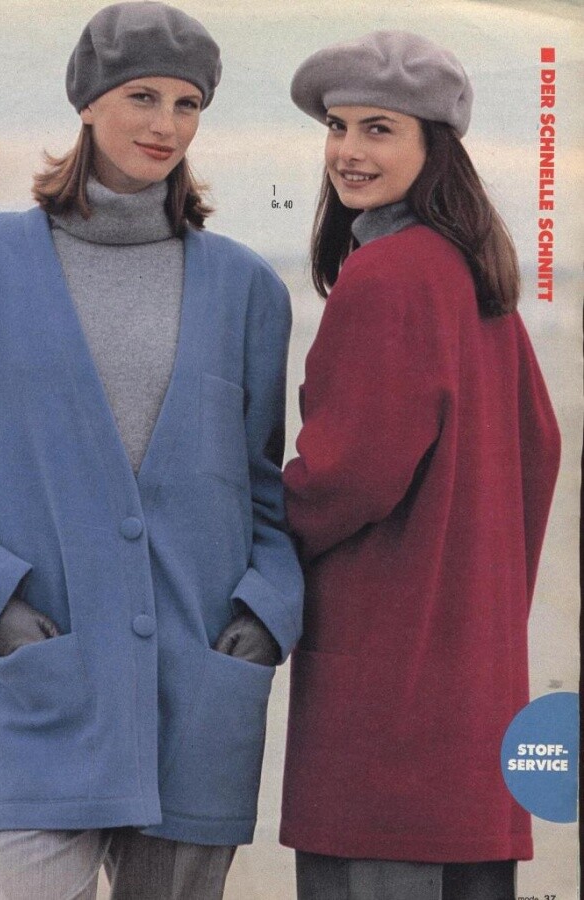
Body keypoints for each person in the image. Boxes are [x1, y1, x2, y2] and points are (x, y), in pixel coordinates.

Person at [0, 3, 303, 897]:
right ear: (87, 103)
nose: (165, 124)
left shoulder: (246, 287)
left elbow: (265, 488)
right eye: (141, 97)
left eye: (186, 104)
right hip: (47, 679)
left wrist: (265, 614)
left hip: (200, 686)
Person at [279, 31, 560, 900]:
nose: (347, 151)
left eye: (378, 129)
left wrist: (255, 529)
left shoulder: (387, 276)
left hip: (384, 702)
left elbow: (346, 476)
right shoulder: (475, 277)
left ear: (433, 146)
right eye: (337, 126)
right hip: (474, 695)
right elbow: (540, 451)